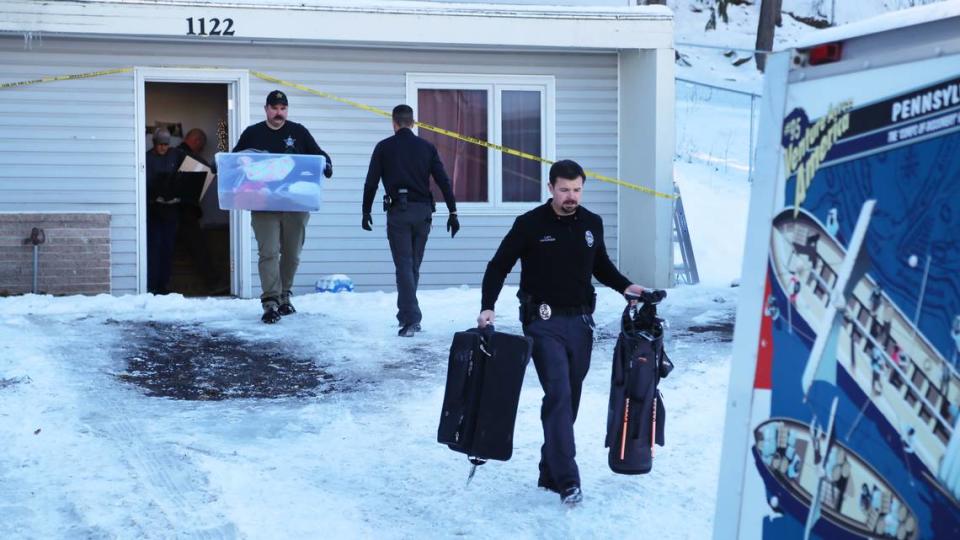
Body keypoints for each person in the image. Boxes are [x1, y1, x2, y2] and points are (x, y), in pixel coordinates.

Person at [476, 159, 647, 505]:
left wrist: (628, 288)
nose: (571, 196)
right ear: (550, 188)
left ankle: (549, 469)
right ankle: (568, 479)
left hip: (581, 323)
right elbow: (498, 265)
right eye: (565, 190)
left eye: (577, 190)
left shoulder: (591, 224)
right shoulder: (530, 224)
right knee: (557, 392)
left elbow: (601, 266)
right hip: (541, 322)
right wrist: (488, 305)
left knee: (570, 398)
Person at [233, 90, 333, 323]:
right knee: (268, 251)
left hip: (295, 205)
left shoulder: (298, 131)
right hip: (263, 203)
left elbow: (318, 155)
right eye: (275, 108)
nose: (279, 113)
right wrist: (222, 165)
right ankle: (270, 302)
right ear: (266, 109)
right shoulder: (253, 133)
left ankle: (284, 296)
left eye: (283, 109)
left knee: (292, 253)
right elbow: (236, 159)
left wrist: (327, 164)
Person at [362, 104, 459, 337]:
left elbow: (371, 183)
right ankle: (406, 315)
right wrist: (453, 212)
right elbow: (443, 180)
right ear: (413, 123)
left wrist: (366, 211)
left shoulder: (384, 147)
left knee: (404, 265)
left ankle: (411, 319)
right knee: (412, 265)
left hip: (399, 212)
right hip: (424, 212)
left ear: (394, 123)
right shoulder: (427, 147)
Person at [175, 128, 226, 295]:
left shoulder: (173, 153)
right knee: (199, 247)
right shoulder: (189, 157)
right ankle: (213, 282)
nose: (201, 149)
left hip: (168, 211)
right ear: (196, 141)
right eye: (201, 146)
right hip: (184, 210)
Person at [145, 128, 183, 294]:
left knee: (168, 247)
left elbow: (191, 170)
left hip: (171, 208)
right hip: (154, 208)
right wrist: (154, 198)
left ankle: (164, 284)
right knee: (155, 247)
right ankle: (153, 285)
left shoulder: (176, 154)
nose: (163, 148)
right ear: (154, 143)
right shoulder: (147, 158)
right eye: (160, 144)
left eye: (166, 144)